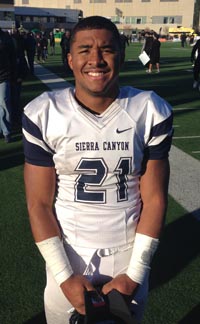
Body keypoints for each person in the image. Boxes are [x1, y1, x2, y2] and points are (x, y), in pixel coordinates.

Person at [22, 16, 173, 324]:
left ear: (122, 54)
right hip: (69, 253)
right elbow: (38, 203)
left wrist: (135, 274)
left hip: (128, 252)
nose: (96, 59)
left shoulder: (148, 109)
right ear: (69, 58)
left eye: (106, 49)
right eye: (85, 49)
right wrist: (65, 276)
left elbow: (155, 199)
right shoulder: (45, 112)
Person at [0, 27, 16, 143]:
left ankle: (6, 132)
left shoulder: (5, 37)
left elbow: (13, 56)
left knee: (4, 103)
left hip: (3, 76)